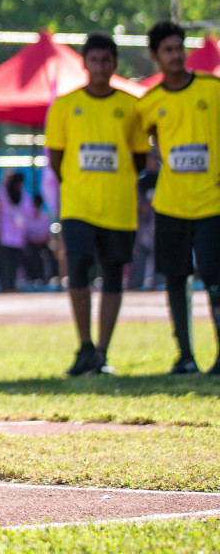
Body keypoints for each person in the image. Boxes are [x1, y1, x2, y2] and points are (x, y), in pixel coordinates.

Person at [46, 33, 146, 376]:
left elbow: (140, 158)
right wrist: (78, 184)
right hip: (78, 206)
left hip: (118, 208)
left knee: (114, 275)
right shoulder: (64, 105)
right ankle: (84, 346)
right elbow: (55, 159)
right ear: (84, 64)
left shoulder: (131, 106)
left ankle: (103, 351)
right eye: (94, 61)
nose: (100, 67)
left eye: (106, 61)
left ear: (115, 64)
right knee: (78, 272)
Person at [136, 21, 220, 375]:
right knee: (175, 277)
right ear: (155, 56)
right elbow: (139, 151)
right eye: (167, 50)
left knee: (216, 277)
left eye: (179, 48)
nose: (175, 55)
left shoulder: (212, 88)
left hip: (212, 203)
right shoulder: (150, 102)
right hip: (171, 204)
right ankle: (185, 356)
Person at [0, 171, 32, 292]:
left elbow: (27, 211)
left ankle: (13, 284)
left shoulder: (23, 194)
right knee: (5, 261)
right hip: (5, 233)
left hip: (18, 234)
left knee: (16, 261)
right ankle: (5, 284)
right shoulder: (2, 192)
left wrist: (25, 230)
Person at [131, 150, 160, 291]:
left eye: (153, 160)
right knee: (140, 252)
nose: (151, 163)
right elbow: (137, 198)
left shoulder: (161, 179)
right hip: (143, 223)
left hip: (157, 221)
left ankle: (158, 281)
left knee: (157, 251)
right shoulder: (141, 180)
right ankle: (135, 282)